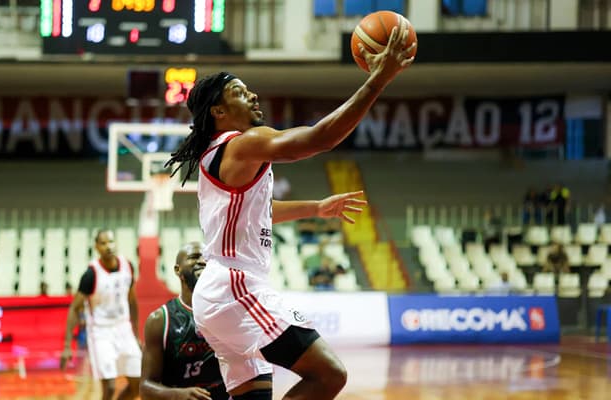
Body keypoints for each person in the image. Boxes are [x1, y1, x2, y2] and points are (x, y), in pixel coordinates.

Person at [164, 24, 415, 400]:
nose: (251, 95)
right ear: (218, 110)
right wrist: (378, 79)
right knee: (329, 374)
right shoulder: (244, 143)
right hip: (236, 287)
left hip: (220, 293)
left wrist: (317, 207)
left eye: (249, 89)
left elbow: (258, 213)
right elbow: (319, 139)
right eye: (238, 92)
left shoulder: (222, 154)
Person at [141, 242, 230, 400]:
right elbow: (146, 387)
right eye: (194, 257)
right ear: (177, 270)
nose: (202, 261)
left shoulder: (229, 311)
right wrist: (178, 394)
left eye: (206, 258)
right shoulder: (160, 320)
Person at [60, 229, 141, 400]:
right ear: (96, 247)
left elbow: (132, 302)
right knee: (110, 387)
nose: (108, 246)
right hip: (101, 332)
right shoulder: (91, 274)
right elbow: (74, 308)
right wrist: (67, 346)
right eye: (103, 243)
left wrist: (136, 334)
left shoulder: (128, 266)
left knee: (138, 384)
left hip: (124, 328)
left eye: (111, 242)